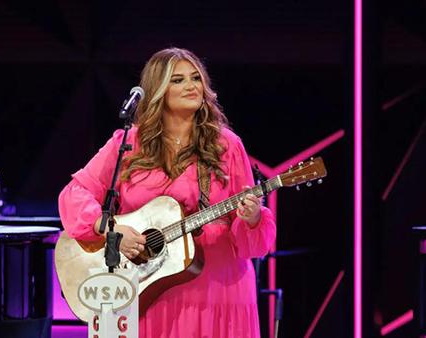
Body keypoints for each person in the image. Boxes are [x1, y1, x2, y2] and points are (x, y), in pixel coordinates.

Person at [58, 47, 276, 337]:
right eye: (178, 80)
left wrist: (251, 218)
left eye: (196, 78)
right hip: (144, 290)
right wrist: (111, 229)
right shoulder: (127, 142)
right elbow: (74, 194)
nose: (191, 86)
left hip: (217, 293)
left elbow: (250, 243)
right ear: (158, 89)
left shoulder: (227, 145)